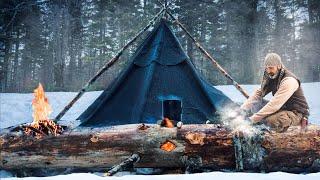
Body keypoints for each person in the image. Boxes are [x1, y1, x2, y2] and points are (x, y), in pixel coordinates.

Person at [241, 53, 309, 132]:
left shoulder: (289, 81)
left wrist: (252, 119)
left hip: (296, 113)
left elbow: (274, 104)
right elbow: (258, 93)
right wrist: (243, 109)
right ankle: (256, 121)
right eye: (266, 68)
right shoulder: (273, 76)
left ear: (279, 66)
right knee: (255, 104)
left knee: (271, 121)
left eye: (271, 68)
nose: (268, 71)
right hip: (282, 108)